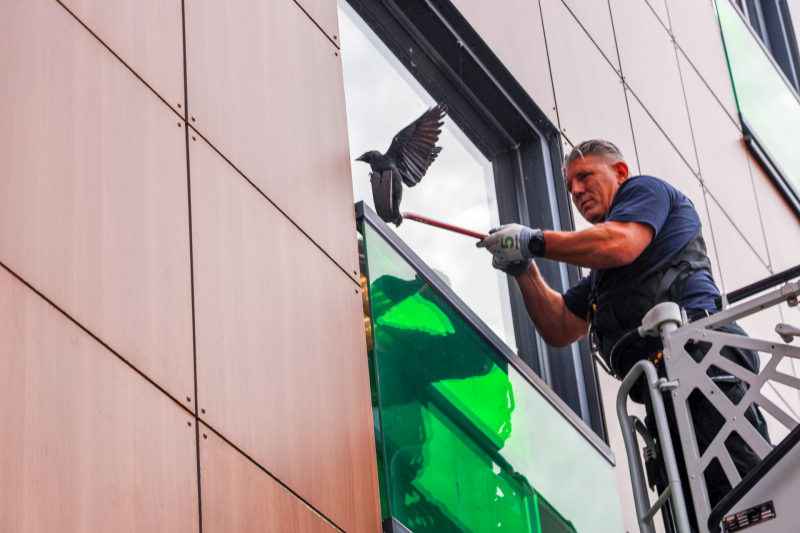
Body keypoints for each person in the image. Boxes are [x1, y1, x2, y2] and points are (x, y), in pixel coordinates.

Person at [477, 139, 770, 531]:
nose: (576, 191)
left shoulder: (644, 192)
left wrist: (534, 239)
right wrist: (523, 268)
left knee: (744, 498)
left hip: (705, 366)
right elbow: (560, 326)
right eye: (569, 186)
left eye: (584, 176)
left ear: (620, 172)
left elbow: (621, 243)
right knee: (694, 514)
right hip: (665, 392)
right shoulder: (602, 281)